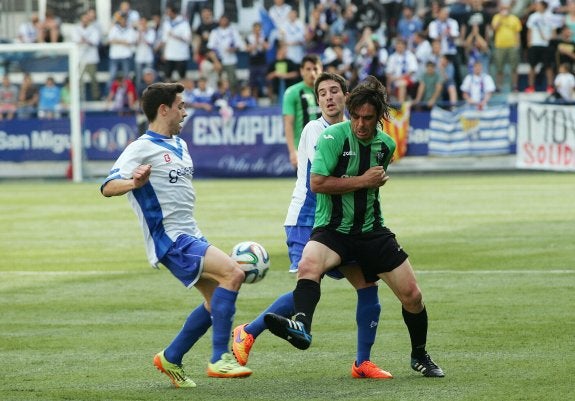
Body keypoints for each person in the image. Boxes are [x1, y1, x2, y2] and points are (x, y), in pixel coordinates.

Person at [263, 75, 445, 378]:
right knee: (309, 264)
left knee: (412, 296)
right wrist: (363, 180)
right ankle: (302, 326)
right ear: (350, 113)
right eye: (356, 117)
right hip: (332, 229)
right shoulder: (331, 138)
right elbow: (318, 183)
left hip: (372, 230)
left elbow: (369, 190)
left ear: (378, 117)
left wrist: (365, 184)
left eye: (368, 118)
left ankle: (419, 355)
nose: (361, 124)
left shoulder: (385, 145)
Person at [232, 72, 393, 379]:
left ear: (347, 97)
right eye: (323, 93)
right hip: (307, 220)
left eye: (335, 91)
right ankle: (248, 331)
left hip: (342, 225)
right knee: (308, 284)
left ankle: (362, 362)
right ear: (318, 100)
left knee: (367, 285)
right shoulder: (316, 131)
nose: (329, 97)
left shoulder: (355, 132)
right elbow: (321, 181)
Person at [100, 82, 252, 389]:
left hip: (190, 233)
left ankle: (172, 356)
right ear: (163, 109)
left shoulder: (180, 144)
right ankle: (220, 358)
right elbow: (107, 186)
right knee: (233, 274)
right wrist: (134, 183)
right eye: (180, 106)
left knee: (214, 304)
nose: (185, 111)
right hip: (170, 239)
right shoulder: (141, 147)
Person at [282, 53, 322, 169]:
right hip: (303, 149)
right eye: (308, 69)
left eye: (315, 69)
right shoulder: (292, 92)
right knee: (305, 186)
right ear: (302, 71)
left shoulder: (328, 91)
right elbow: (288, 123)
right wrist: (292, 151)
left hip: (327, 148)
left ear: (321, 69)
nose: (312, 73)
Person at [491, 1, 522, 92]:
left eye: (506, 8)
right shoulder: (496, 17)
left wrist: (518, 44)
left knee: (514, 67)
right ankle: (499, 86)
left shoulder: (514, 18)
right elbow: (494, 29)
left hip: (512, 45)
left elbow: (517, 32)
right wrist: (501, 18)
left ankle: (514, 86)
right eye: (503, 8)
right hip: (500, 46)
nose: (505, 10)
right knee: (499, 67)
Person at [525, 1, 555, 94]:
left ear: (543, 6)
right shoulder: (533, 16)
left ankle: (550, 87)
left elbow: (553, 31)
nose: (536, 6)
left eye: (538, 5)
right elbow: (529, 31)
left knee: (548, 66)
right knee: (532, 66)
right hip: (534, 44)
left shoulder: (550, 16)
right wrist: (529, 44)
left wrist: (550, 40)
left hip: (546, 45)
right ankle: (531, 87)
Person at [72, 10, 101, 101]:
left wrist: (85, 41)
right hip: (80, 58)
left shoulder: (94, 29)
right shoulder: (76, 29)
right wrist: (86, 41)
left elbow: (95, 41)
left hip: (91, 58)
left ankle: (96, 97)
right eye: (83, 19)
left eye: (86, 19)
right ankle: (79, 97)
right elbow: (76, 41)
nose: (85, 21)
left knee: (93, 79)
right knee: (79, 79)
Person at [160, 3, 192, 81]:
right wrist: (164, 53)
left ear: (174, 12)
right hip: (169, 54)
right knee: (167, 76)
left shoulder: (184, 23)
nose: (167, 14)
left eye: (169, 12)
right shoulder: (166, 23)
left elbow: (188, 38)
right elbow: (164, 39)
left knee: (182, 76)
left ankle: (183, 92)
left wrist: (175, 35)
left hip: (181, 55)